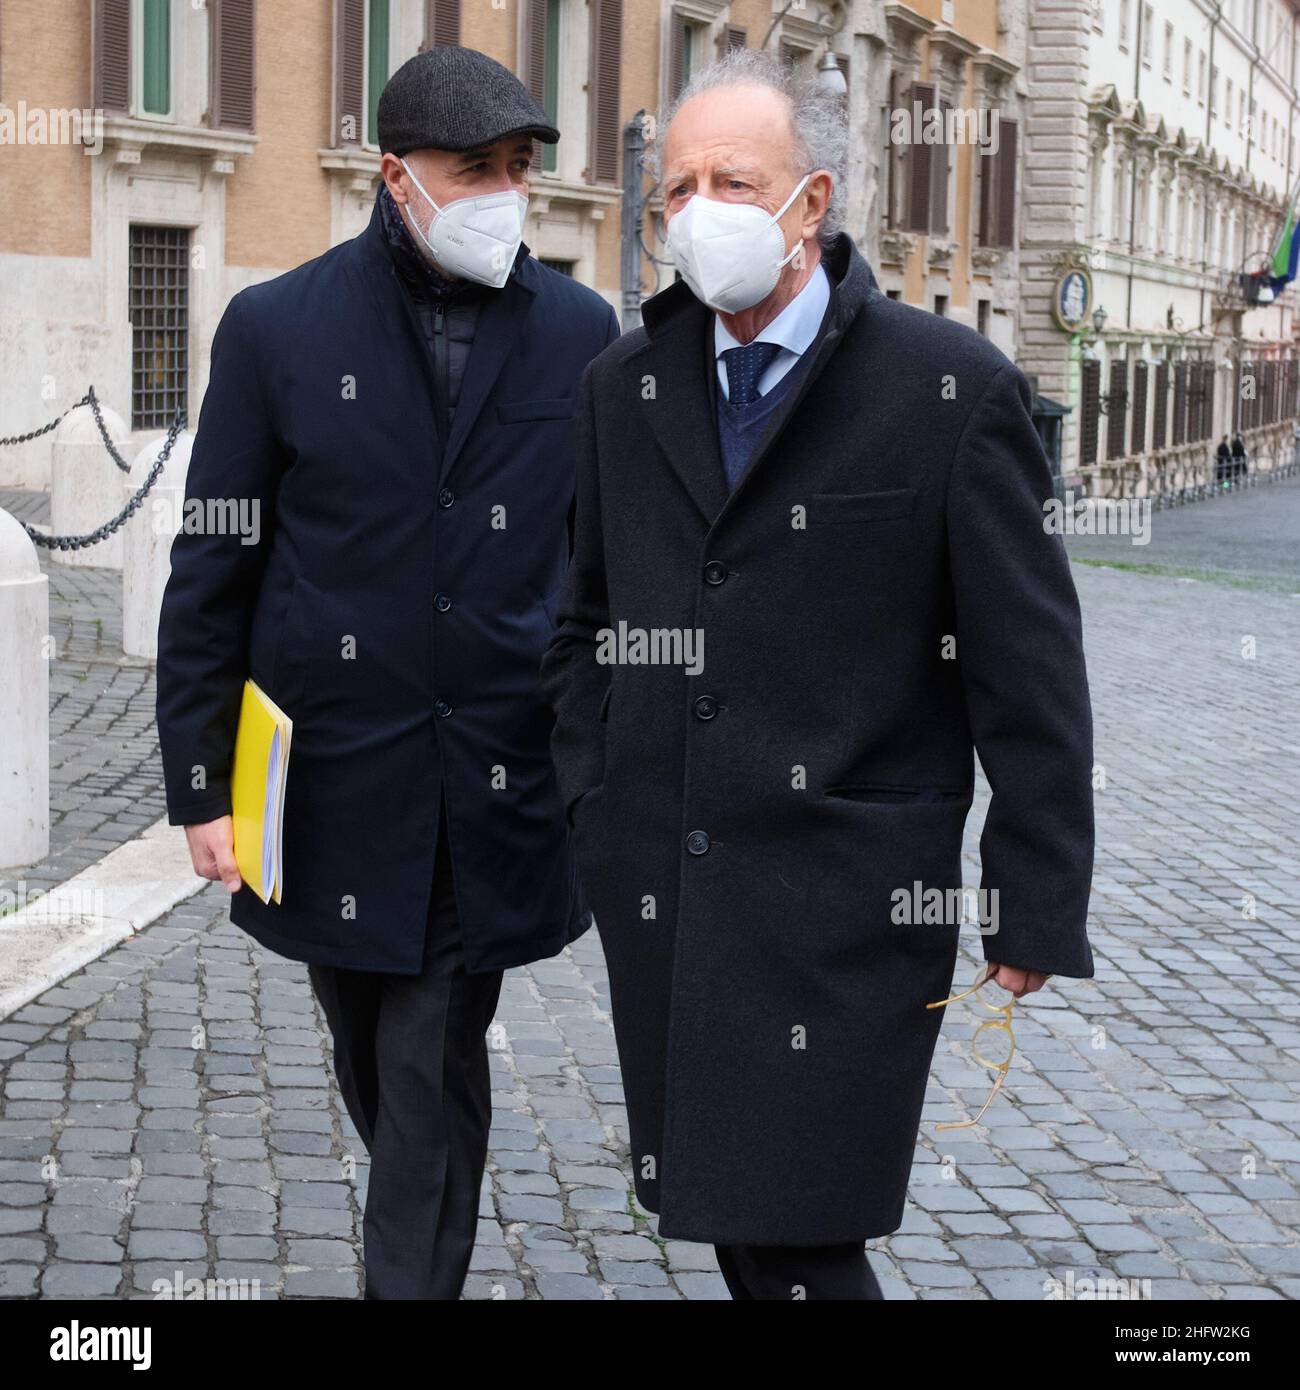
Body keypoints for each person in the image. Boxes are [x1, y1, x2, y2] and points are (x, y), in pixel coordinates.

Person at [541, 50, 1096, 1301]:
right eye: (675, 187)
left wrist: (1033, 892)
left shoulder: (948, 390)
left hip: (842, 903)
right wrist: (598, 798)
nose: (696, 210)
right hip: (668, 891)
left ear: (814, 199)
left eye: (732, 179)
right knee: (737, 1222)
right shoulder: (620, 388)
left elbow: (1030, 669)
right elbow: (578, 624)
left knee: (800, 1234)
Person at [156, 46, 618, 1299]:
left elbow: (599, 574)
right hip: (329, 789)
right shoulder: (277, 327)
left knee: (426, 1056)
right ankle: (424, 1214)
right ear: (394, 175)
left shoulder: (582, 334)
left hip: (495, 785)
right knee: (377, 1050)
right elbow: (215, 568)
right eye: (476, 169)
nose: (503, 195)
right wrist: (202, 786)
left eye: (520, 169)